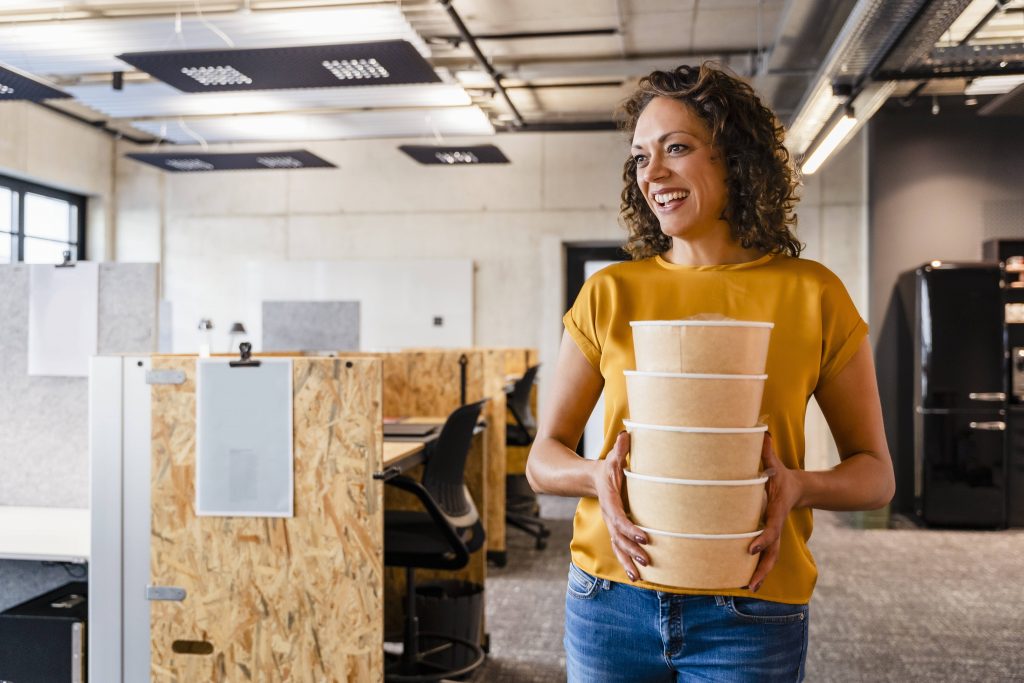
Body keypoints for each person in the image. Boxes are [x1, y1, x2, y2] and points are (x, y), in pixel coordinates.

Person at [525, 63, 895, 682]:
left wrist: (798, 487)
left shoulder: (813, 294)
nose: (654, 173)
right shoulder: (610, 293)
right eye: (641, 157)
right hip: (610, 597)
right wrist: (596, 478)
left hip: (749, 605)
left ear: (735, 157)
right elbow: (543, 458)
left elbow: (875, 475)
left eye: (677, 148)